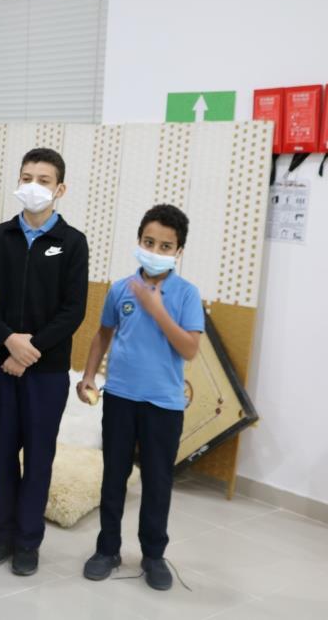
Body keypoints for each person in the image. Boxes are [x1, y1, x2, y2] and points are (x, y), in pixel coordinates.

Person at [79, 204, 204, 591]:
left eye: (165, 246)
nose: (155, 251)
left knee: (157, 481)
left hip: (164, 404)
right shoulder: (121, 289)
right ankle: (107, 549)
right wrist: (88, 376)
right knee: (113, 476)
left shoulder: (186, 294)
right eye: (149, 242)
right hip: (120, 397)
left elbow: (189, 348)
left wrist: (157, 309)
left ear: (178, 251)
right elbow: (103, 334)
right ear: (138, 241)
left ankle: (153, 555)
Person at [0, 147, 88, 576]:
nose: (33, 186)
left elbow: (73, 310)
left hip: (46, 371)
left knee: (39, 457)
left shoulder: (72, 242)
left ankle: (28, 541)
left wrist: (29, 351)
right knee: (3, 454)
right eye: (27, 177)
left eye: (44, 180)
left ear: (60, 189)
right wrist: (8, 342)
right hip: (1, 366)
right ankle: (2, 534)